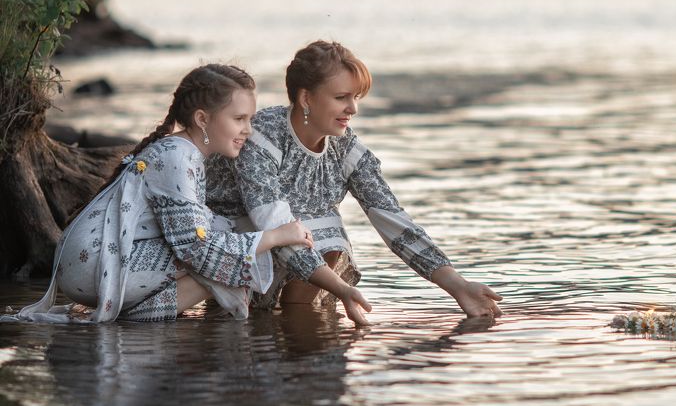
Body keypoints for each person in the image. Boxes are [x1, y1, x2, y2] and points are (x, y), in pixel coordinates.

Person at [205, 41, 503, 326]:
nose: (353, 109)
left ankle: (300, 330)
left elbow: (392, 219)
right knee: (310, 228)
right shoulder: (261, 138)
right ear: (306, 98)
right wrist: (341, 289)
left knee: (330, 236)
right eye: (341, 98)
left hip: (286, 243)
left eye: (356, 98)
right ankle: (273, 327)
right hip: (227, 240)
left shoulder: (344, 148)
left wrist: (458, 286)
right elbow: (271, 223)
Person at [4, 64, 314, 323]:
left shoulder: (183, 151)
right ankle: (132, 317)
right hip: (92, 265)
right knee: (223, 261)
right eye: (239, 119)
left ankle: (123, 312)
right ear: (202, 119)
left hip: (88, 260)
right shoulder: (177, 157)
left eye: (250, 118)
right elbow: (196, 249)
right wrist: (276, 236)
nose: (249, 129)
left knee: (231, 242)